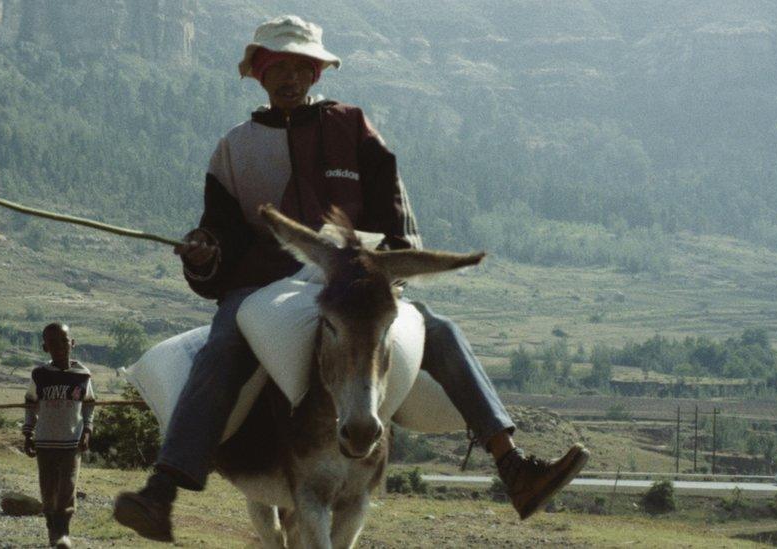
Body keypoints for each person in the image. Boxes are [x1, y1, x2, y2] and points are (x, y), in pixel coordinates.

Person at [114, 15, 588, 542]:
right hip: (263, 288)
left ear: (316, 74)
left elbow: (397, 221)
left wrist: (388, 263)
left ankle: (513, 465)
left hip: (351, 279)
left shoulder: (354, 129)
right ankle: (163, 490)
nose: (289, 77)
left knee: (441, 331)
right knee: (224, 345)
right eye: (278, 67)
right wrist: (204, 253)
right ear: (260, 73)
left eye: (301, 67)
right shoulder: (234, 148)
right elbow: (220, 239)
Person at [23, 323, 96, 549]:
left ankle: (62, 533)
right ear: (46, 347)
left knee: (67, 488)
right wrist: (28, 433)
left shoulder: (83, 375)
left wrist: (87, 430)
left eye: (64, 341)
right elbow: (30, 403)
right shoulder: (40, 374)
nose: (60, 347)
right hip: (45, 443)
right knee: (48, 490)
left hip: (71, 442)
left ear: (72, 343)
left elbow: (89, 404)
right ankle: (52, 530)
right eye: (53, 343)